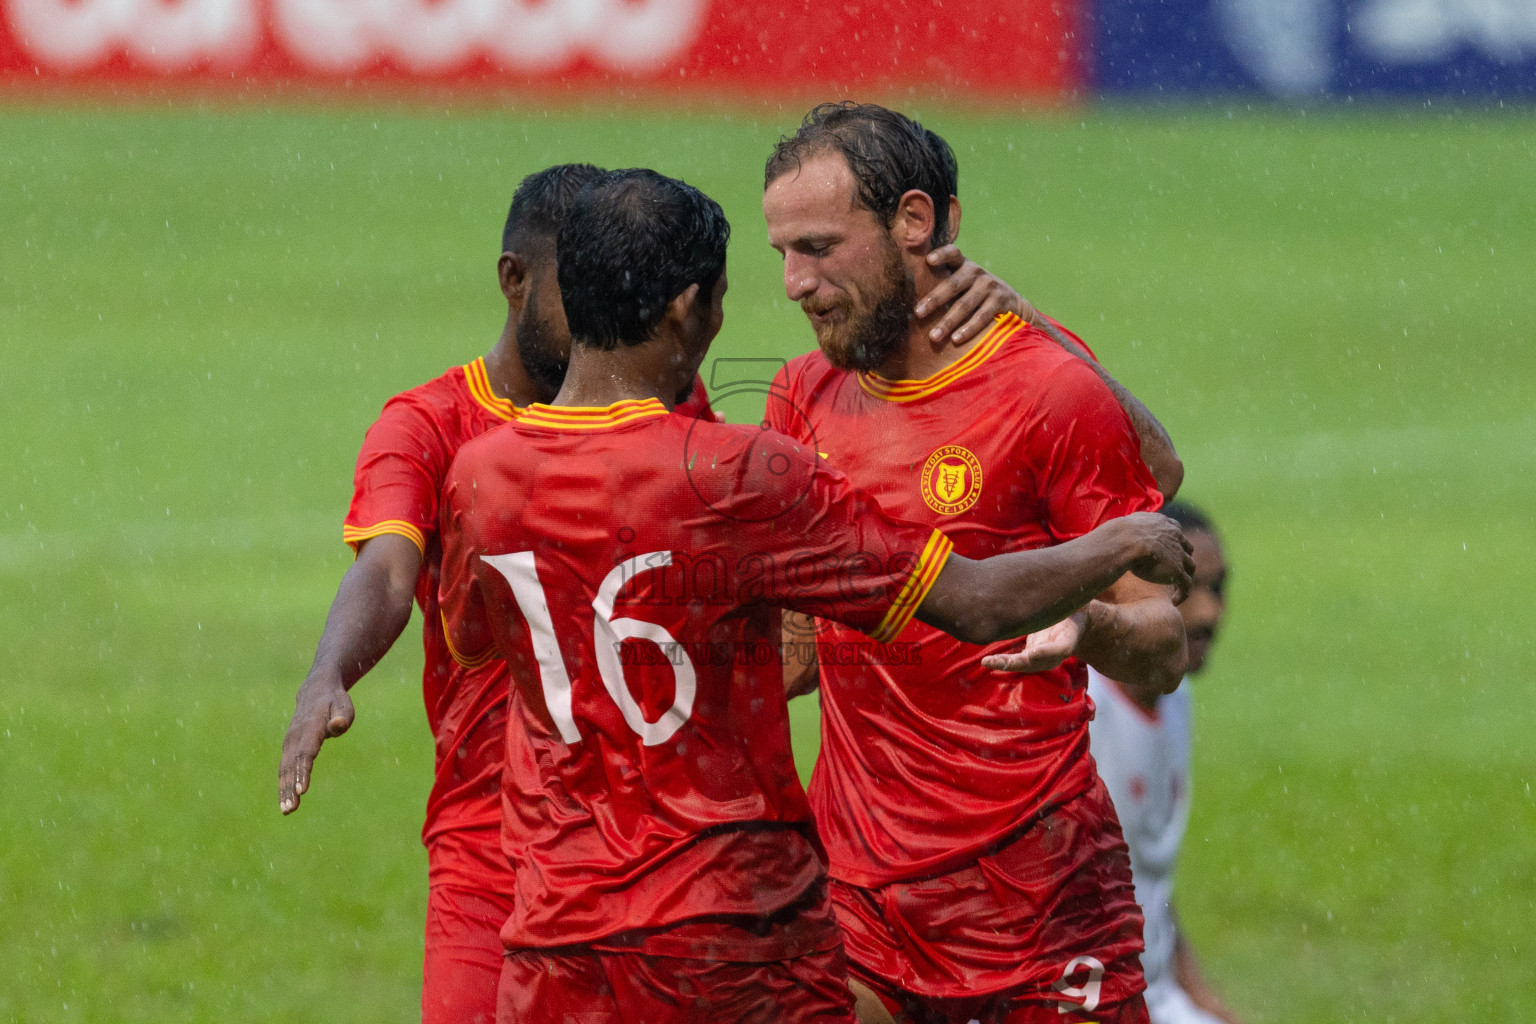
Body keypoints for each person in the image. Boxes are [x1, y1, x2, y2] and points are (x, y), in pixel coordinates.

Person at [276, 161, 1064, 1022]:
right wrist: (332, 669)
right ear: (520, 281)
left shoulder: (664, 433)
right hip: (504, 860)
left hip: (631, 875)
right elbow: (387, 571)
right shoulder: (434, 429)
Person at [436, 167, 1194, 1024]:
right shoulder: (744, 470)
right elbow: (976, 602)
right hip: (729, 922)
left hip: (560, 931)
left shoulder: (483, 474)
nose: (794, 284)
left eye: (816, 248)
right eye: (758, 273)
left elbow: (481, 641)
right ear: (691, 309)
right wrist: (1125, 541)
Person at [762, 102, 1191, 1023]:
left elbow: (1162, 652)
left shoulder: (1047, 390)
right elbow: (794, 653)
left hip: (1034, 895)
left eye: (820, 247)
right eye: (783, 255)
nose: (795, 283)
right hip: (853, 896)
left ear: (913, 221)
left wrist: (1090, 626)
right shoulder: (799, 398)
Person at [1089, 502, 1243, 1024]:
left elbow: (1150, 882)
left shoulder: (1176, 700)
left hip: (1155, 995)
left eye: (1218, 589)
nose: (1208, 614)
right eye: (1187, 592)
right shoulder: (1083, 712)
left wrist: (1202, 998)